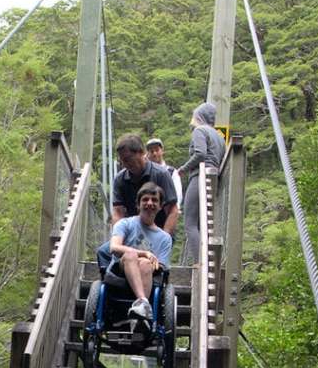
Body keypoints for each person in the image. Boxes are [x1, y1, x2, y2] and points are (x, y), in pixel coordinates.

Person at [96, 132, 178, 273]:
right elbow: (118, 211)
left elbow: (173, 211)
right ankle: (110, 280)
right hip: (132, 232)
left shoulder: (161, 174)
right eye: (122, 161)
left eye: (128, 159)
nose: (124, 164)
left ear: (141, 153)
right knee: (104, 252)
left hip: (157, 231)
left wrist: (163, 236)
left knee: (150, 264)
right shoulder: (120, 179)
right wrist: (120, 234)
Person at [108, 182, 172, 320]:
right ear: (138, 204)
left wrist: (145, 260)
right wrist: (144, 253)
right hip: (121, 269)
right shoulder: (125, 224)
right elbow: (114, 247)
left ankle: (142, 309)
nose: (149, 203)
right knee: (131, 255)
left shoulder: (165, 238)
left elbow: (161, 267)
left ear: (160, 206)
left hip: (147, 273)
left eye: (154, 200)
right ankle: (143, 302)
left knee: (145, 263)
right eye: (145, 199)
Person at [177, 102, 225, 262]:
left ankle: (200, 262)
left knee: (190, 223)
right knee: (201, 223)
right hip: (213, 180)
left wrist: (183, 169)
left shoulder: (200, 131)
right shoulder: (219, 137)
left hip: (200, 177)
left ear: (199, 116)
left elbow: (200, 154)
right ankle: (205, 259)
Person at [145, 137, 183, 208]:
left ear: (162, 151)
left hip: (167, 209)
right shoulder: (145, 173)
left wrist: (175, 209)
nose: (154, 153)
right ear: (147, 154)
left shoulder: (172, 172)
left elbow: (178, 193)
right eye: (151, 151)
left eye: (157, 150)